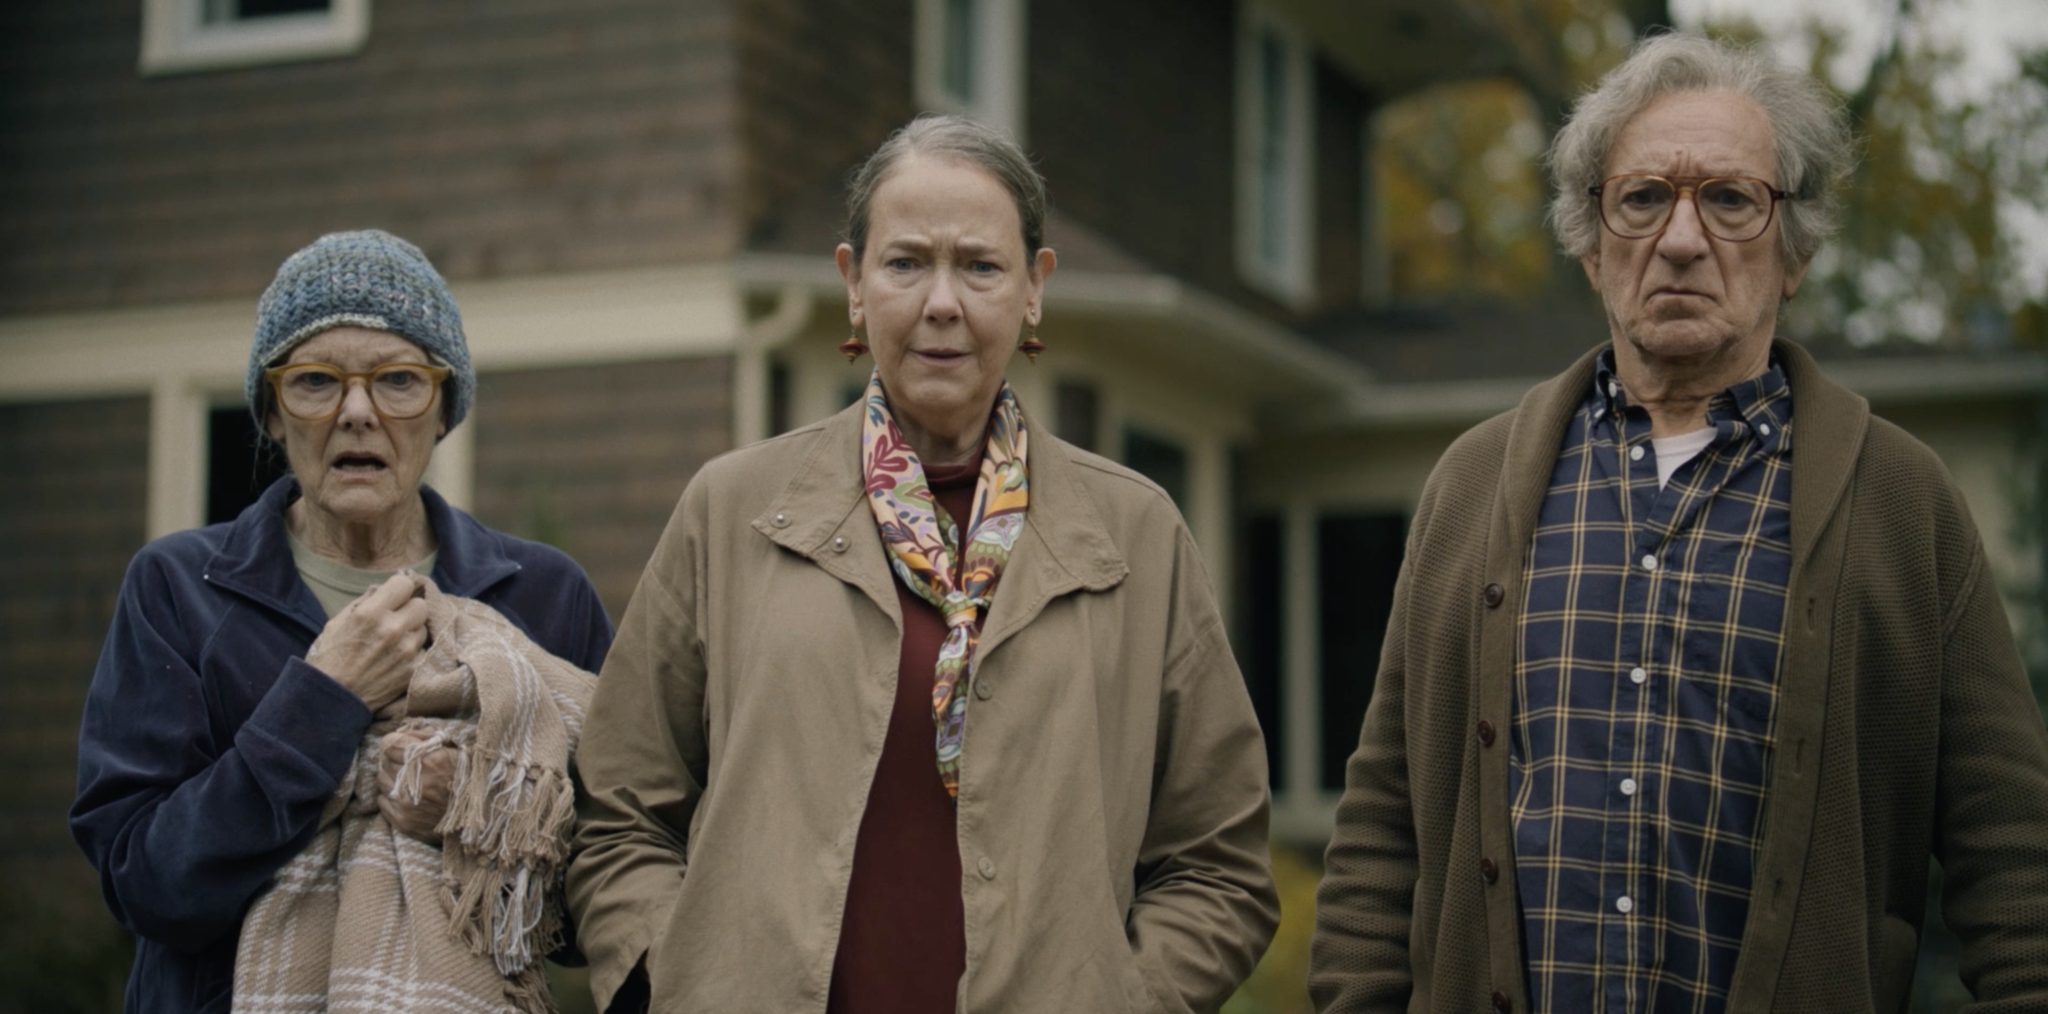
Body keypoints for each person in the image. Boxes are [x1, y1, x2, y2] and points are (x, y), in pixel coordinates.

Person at [1310, 32, 2048, 1013]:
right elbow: (1381, 824)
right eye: (1643, 198)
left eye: (1730, 200)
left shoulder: (1900, 504)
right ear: (1591, 246)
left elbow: (2014, 865)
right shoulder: (1472, 488)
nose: (1682, 238)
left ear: (1793, 252)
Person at [567, 114, 1279, 1013]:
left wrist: (1127, 1000)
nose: (942, 301)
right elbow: (618, 810)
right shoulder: (732, 511)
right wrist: (677, 979)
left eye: (980, 266)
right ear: (853, 284)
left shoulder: (1135, 535)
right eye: (905, 263)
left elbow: (1218, 863)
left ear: (1034, 289)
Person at [70, 229, 614, 1012]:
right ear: (272, 413)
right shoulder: (178, 589)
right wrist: (322, 701)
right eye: (316, 381)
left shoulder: (543, 595)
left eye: (399, 380)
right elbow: (146, 884)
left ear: (444, 410)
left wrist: (473, 816)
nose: (357, 412)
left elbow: (616, 876)